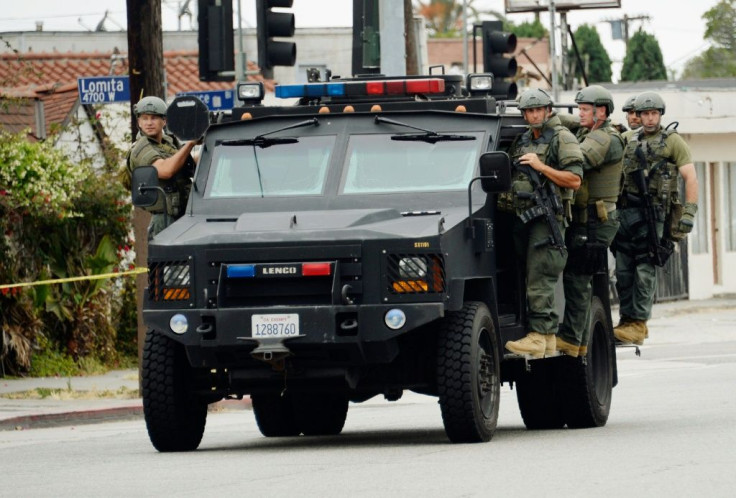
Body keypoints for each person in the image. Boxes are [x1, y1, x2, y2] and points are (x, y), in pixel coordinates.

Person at [500, 88, 584, 358]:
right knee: (530, 274)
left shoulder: (563, 138)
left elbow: (574, 180)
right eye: (529, 111)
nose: (534, 115)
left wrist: (541, 167)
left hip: (547, 219)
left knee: (541, 276)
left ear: (548, 111)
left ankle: (540, 335)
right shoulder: (523, 140)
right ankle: (545, 338)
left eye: (539, 110)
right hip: (525, 218)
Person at [613, 91, 699, 344]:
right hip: (625, 212)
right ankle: (626, 320)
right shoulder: (627, 139)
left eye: (654, 114)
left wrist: (689, 212)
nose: (650, 119)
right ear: (637, 116)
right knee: (623, 271)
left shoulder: (672, 141)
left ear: (660, 115)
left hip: (653, 213)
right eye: (645, 114)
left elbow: (690, 177)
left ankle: (639, 323)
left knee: (645, 268)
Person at [557, 85, 624, 357]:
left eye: (585, 109)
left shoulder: (603, 138)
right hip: (589, 219)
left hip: (597, 221)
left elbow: (577, 159)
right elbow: (568, 120)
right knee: (577, 276)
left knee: (578, 277)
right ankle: (578, 341)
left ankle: (573, 340)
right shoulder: (591, 129)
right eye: (580, 108)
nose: (580, 114)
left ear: (602, 112)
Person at [127, 96, 198, 239]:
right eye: (144, 118)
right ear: (139, 122)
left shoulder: (167, 142)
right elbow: (166, 171)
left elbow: (186, 162)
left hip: (183, 214)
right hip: (164, 219)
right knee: (171, 261)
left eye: (154, 118)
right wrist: (190, 143)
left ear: (164, 121)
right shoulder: (141, 148)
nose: (149, 123)